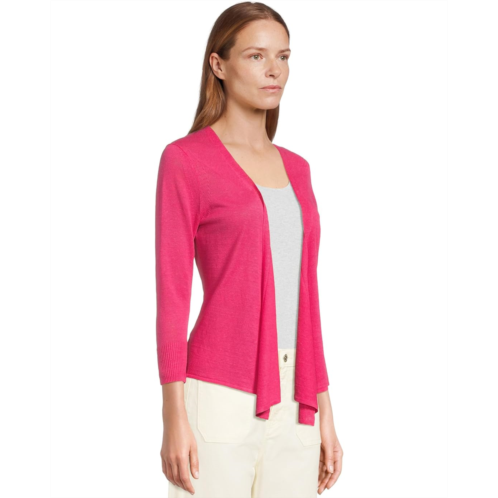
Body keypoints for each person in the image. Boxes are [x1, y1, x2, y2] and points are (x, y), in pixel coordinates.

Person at [156, 2, 343, 496]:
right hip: (220, 391)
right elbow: (172, 296)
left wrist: (324, 407)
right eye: (256, 56)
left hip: (298, 397)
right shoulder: (186, 161)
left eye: (283, 56)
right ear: (219, 65)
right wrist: (173, 414)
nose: (274, 70)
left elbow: (305, 296)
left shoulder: (298, 169)